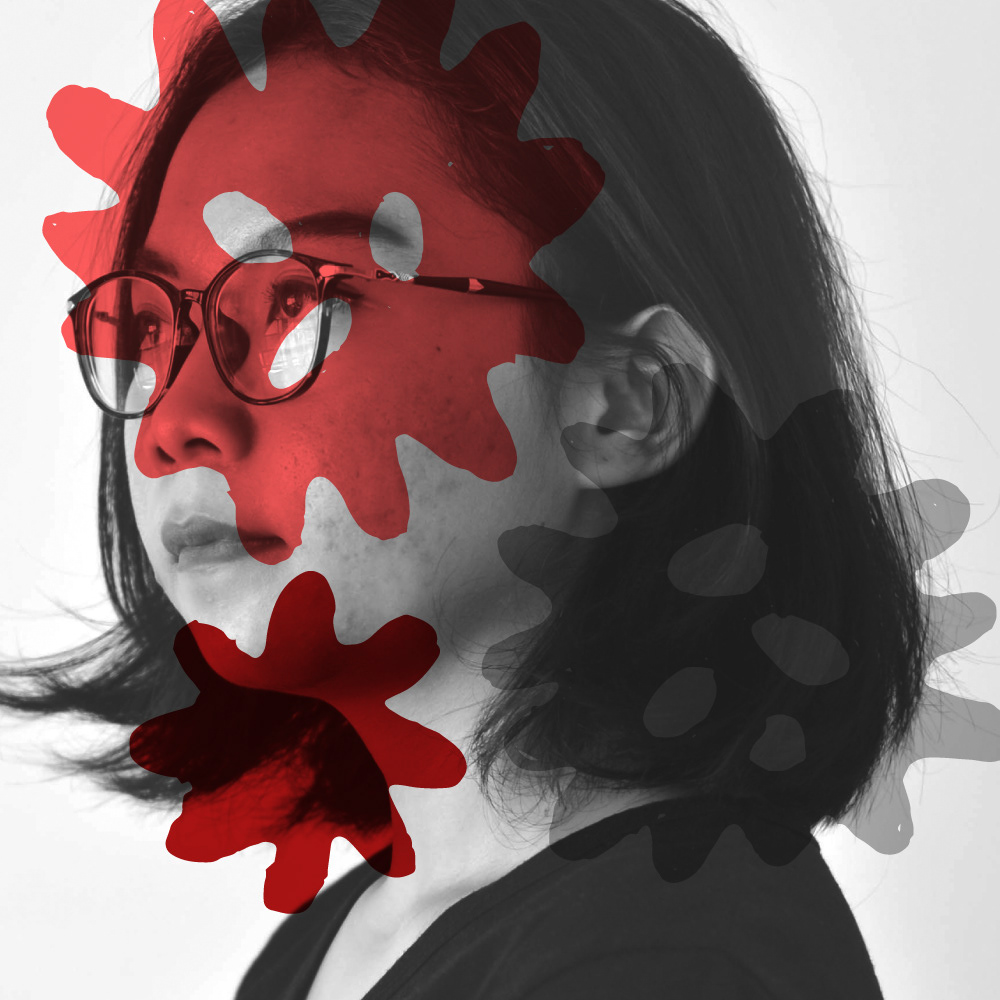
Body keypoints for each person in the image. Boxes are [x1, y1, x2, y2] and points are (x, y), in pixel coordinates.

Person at [2, 0, 933, 996]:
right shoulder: (348, 937)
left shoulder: (666, 964)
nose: (173, 420)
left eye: (294, 301)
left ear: (629, 404)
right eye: (151, 324)